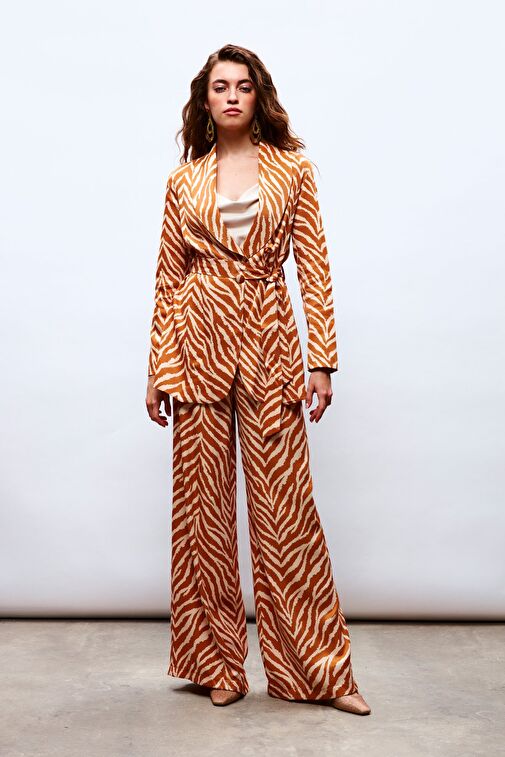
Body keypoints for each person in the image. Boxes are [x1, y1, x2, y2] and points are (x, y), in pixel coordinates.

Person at [145, 43, 371, 716]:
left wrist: (321, 360)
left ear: (258, 95)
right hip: (197, 346)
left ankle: (321, 672)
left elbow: (314, 267)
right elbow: (168, 280)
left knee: (285, 510)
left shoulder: (292, 171)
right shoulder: (183, 182)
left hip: (271, 343)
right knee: (203, 513)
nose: (232, 96)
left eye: (243, 86)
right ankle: (214, 662)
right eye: (220, 87)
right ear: (205, 99)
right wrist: (159, 368)